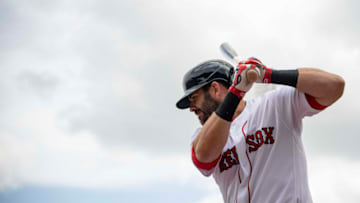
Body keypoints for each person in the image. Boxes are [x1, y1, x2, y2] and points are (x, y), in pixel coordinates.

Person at [175, 58, 345, 203]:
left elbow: (335, 86)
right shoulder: (202, 136)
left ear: (215, 89)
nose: (191, 108)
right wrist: (236, 92)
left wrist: (268, 75)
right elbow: (203, 157)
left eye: (193, 98)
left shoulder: (274, 105)